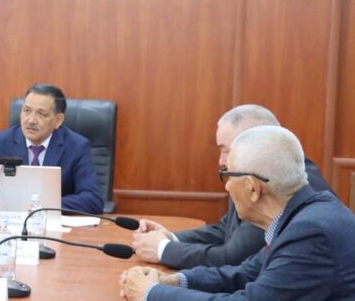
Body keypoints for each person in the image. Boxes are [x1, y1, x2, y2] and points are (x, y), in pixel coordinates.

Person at [120, 126, 355, 301]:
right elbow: (244, 273)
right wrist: (176, 280)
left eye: (226, 175)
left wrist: (149, 294)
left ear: (252, 188)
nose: (225, 186)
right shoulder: (305, 215)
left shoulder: (312, 233)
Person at [132, 104, 333, 269]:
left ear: (255, 144)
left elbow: (232, 258)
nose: (221, 161)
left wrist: (163, 250)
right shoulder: (248, 171)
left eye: (226, 150)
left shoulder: (279, 180)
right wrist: (171, 237)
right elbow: (226, 229)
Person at [0, 83, 103, 214]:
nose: (31, 120)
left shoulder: (76, 147)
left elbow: (93, 200)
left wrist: (40, 206)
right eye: (27, 111)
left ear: (58, 120)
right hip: (9, 222)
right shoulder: (0, 143)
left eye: (41, 114)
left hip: (53, 223)